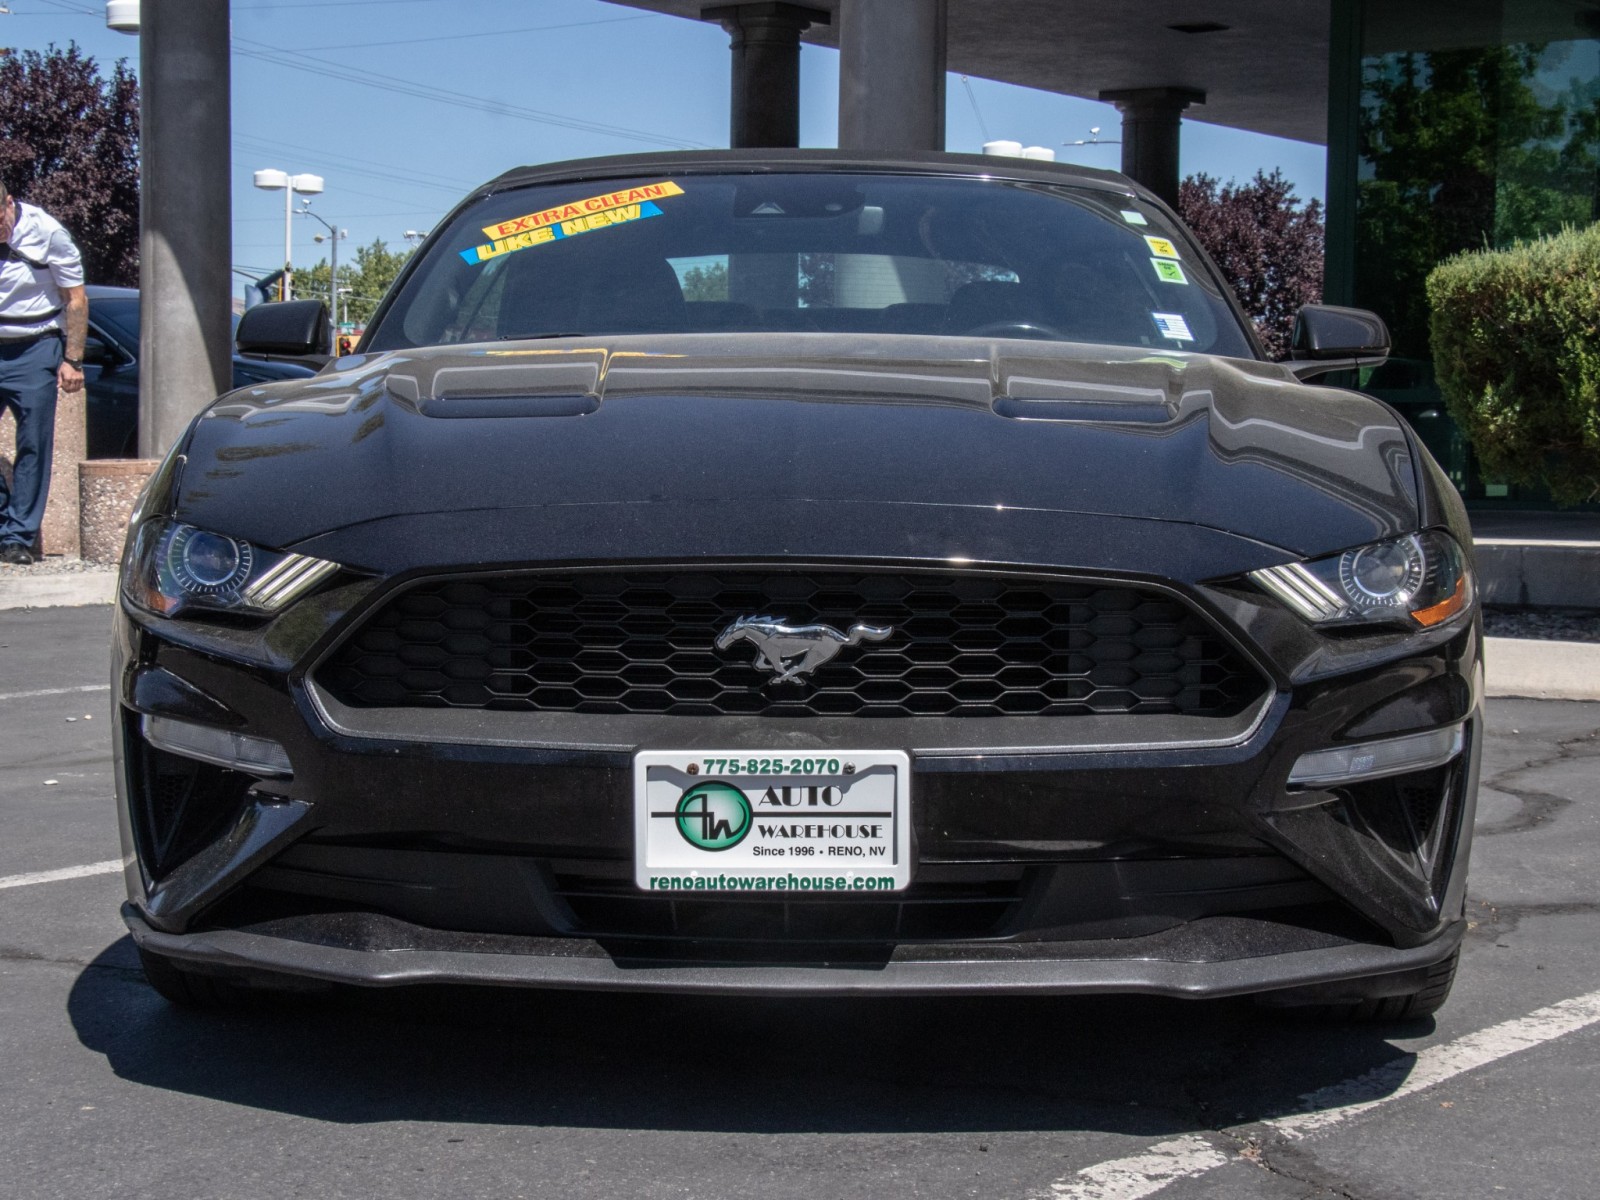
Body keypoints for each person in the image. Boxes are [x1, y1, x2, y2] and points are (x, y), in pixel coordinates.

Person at [0, 177, 87, 565]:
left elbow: (75, 298)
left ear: (8, 204)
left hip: (35, 343)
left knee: (33, 441)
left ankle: (17, 536)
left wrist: (73, 359)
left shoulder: (49, 233)